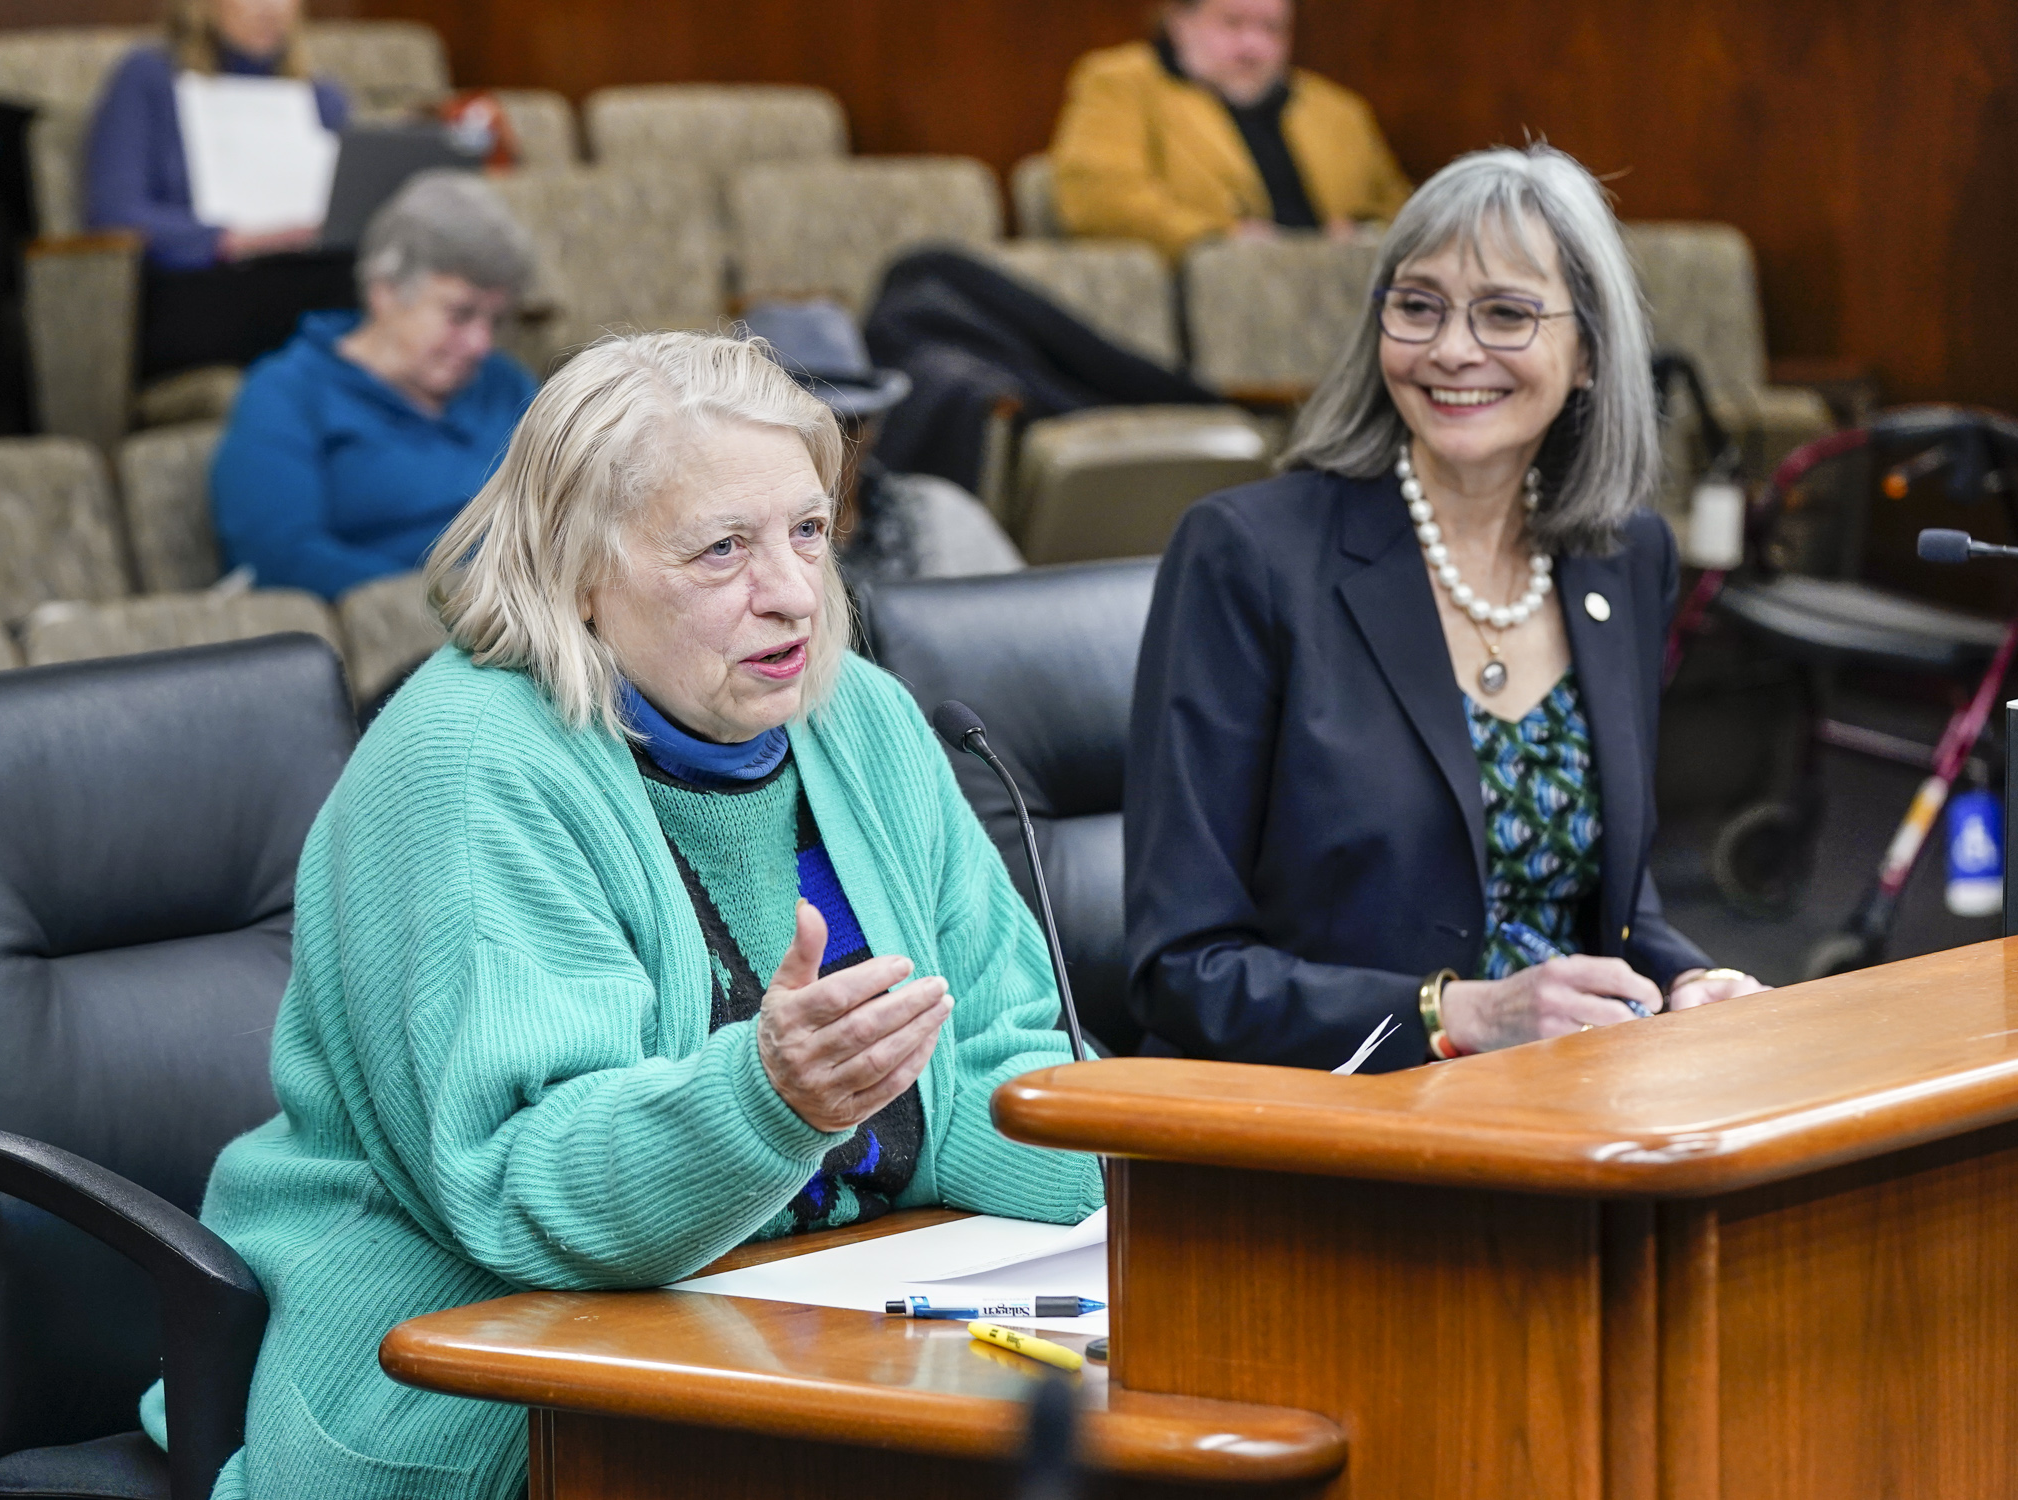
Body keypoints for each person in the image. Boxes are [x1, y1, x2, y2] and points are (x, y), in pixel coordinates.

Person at [151, 329, 1102, 1499]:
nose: (796, 592)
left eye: (809, 530)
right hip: (483, 1367)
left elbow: (1007, 1056)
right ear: (577, 574)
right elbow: (523, 1187)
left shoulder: (863, 718)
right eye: (722, 551)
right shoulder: (469, 762)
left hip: (824, 1321)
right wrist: (773, 1101)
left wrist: (1172, 1187)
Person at [1123, 144, 1769, 1072]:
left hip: (1571, 1097)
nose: (1453, 348)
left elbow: (1603, 907)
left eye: (1506, 313)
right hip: (1332, 1114)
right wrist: (1456, 1012)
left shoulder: (1624, 555)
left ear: (1588, 352)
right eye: (1418, 306)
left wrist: (1685, 982)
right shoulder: (1245, 555)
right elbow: (1180, 968)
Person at [212, 171, 537, 601]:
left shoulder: (506, 383)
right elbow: (280, 557)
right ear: (386, 292)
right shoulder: (287, 394)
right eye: (460, 315)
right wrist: (449, 599)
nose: (481, 344)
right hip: (392, 637)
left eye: (494, 320)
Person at [87, 0, 358, 378]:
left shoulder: (323, 96)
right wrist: (232, 239)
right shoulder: (149, 76)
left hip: (304, 269)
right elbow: (115, 212)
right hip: (198, 289)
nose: (272, 10)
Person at [1049, 0, 1410, 261]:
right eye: (1232, 23)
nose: (1253, 47)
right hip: (1209, 298)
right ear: (1179, 20)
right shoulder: (1123, 83)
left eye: (1272, 29)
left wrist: (1364, 231)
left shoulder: (1337, 109)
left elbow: (1404, 208)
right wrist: (1221, 237)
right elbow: (1098, 198)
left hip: (1331, 299)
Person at [740, 298, 1025, 584]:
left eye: (844, 423)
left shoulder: (942, 521)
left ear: (870, 431)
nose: (824, 448)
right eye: (796, 430)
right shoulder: (725, 556)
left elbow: (1019, 615)